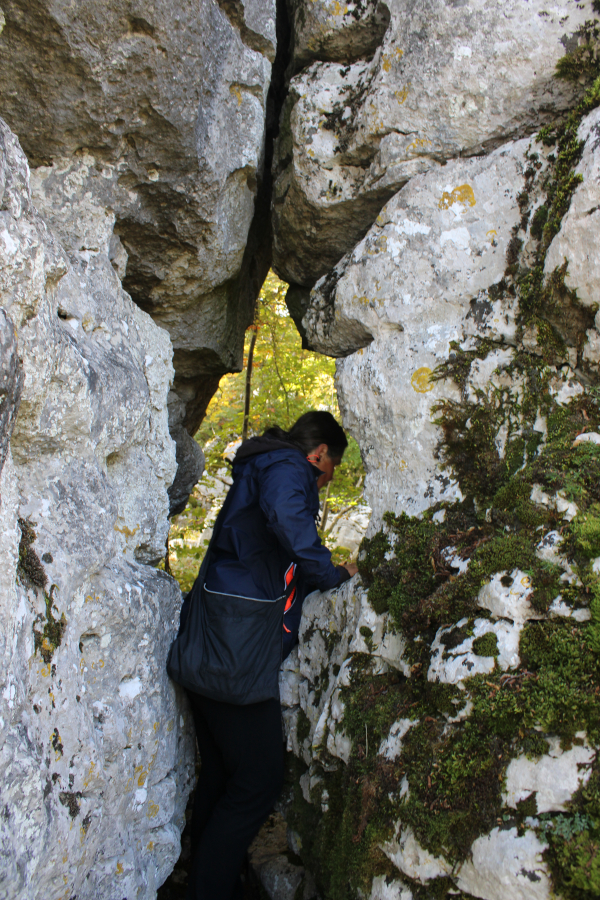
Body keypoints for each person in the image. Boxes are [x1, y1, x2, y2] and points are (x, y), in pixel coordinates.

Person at [168, 411, 358, 900]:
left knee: (222, 775)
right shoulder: (286, 468)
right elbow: (288, 520)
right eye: (329, 471)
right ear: (318, 455)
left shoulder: (263, 463)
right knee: (258, 779)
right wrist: (333, 574)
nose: (324, 481)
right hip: (236, 651)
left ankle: (206, 874)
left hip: (213, 638)